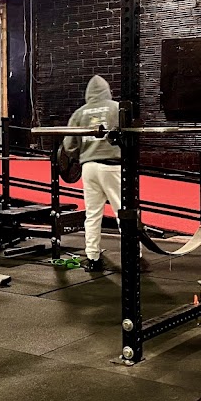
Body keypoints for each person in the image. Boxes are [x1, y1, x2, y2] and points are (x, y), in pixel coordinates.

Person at [63, 75, 122, 272]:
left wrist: (83, 153)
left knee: (93, 214)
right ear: (107, 90)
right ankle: (134, 256)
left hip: (89, 167)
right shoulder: (117, 108)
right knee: (123, 211)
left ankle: (92, 257)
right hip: (113, 166)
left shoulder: (80, 113)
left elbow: (69, 145)